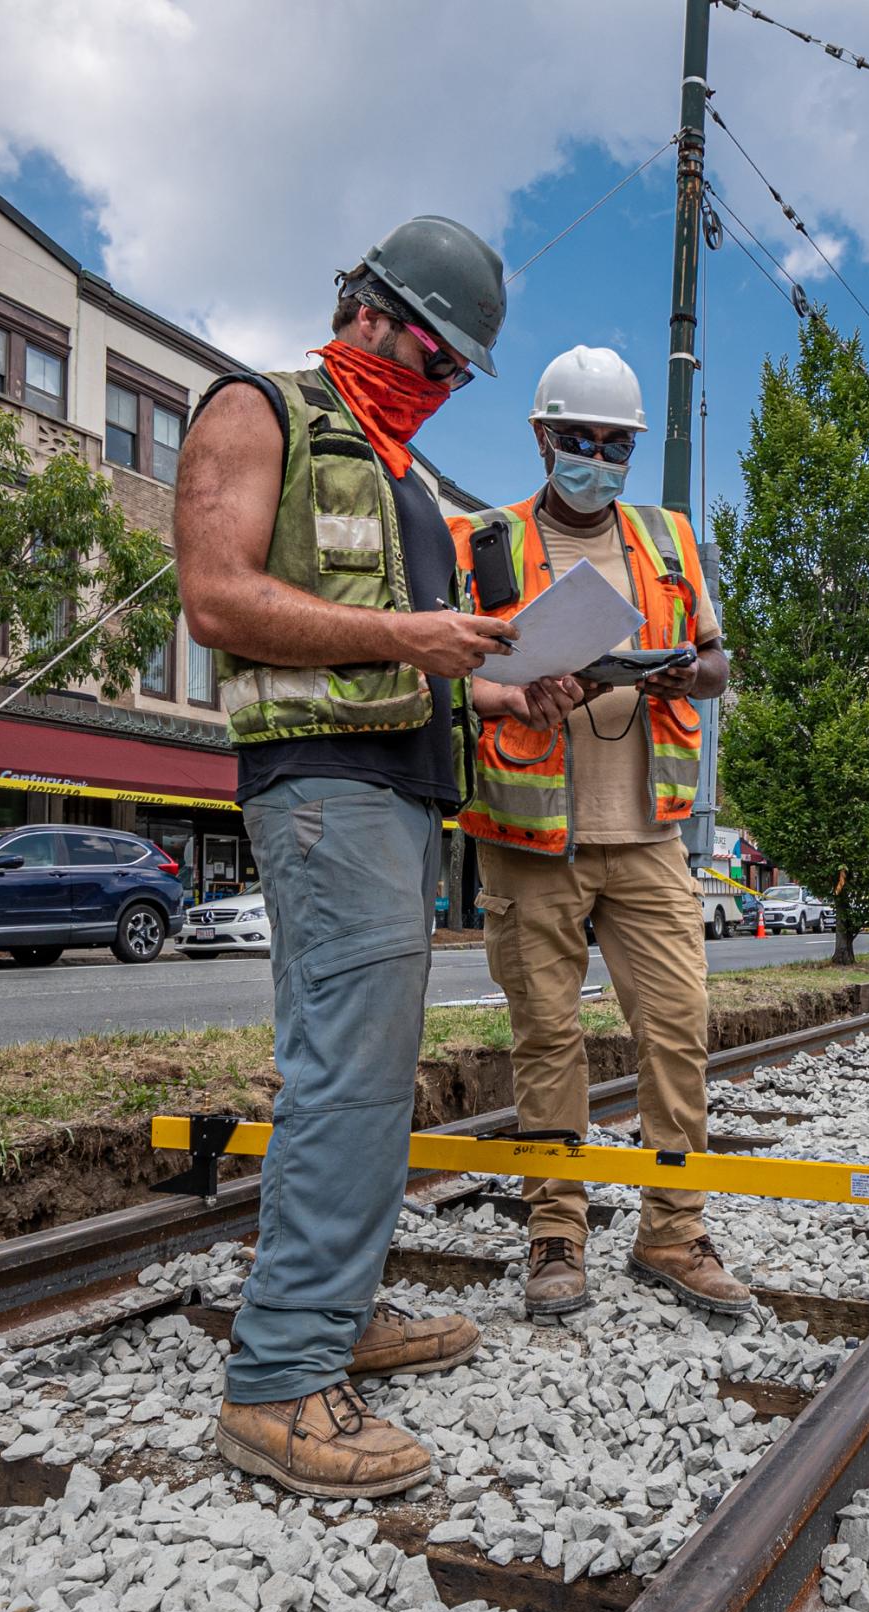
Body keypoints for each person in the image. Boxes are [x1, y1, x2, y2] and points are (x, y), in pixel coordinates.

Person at [174, 216, 577, 1499]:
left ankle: (331, 1315)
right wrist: (411, 630)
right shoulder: (256, 413)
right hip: (322, 789)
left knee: (357, 1068)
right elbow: (217, 597)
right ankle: (281, 1379)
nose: (446, 382)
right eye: (437, 355)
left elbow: (389, 655)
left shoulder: (398, 468)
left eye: (461, 371)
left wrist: (500, 693)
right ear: (370, 311)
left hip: (396, 788)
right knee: (348, 1073)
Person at [449, 346, 751, 1320]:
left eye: (612, 443)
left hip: (647, 837)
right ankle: (554, 1235)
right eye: (576, 439)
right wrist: (510, 696)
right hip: (528, 838)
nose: (594, 457)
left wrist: (682, 673)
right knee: (546, 1038)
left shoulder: (668, 539)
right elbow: (452, 677)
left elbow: (713, 662)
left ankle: (672, 1230)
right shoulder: (481, 542)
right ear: (541, 436)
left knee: (676, 1029)